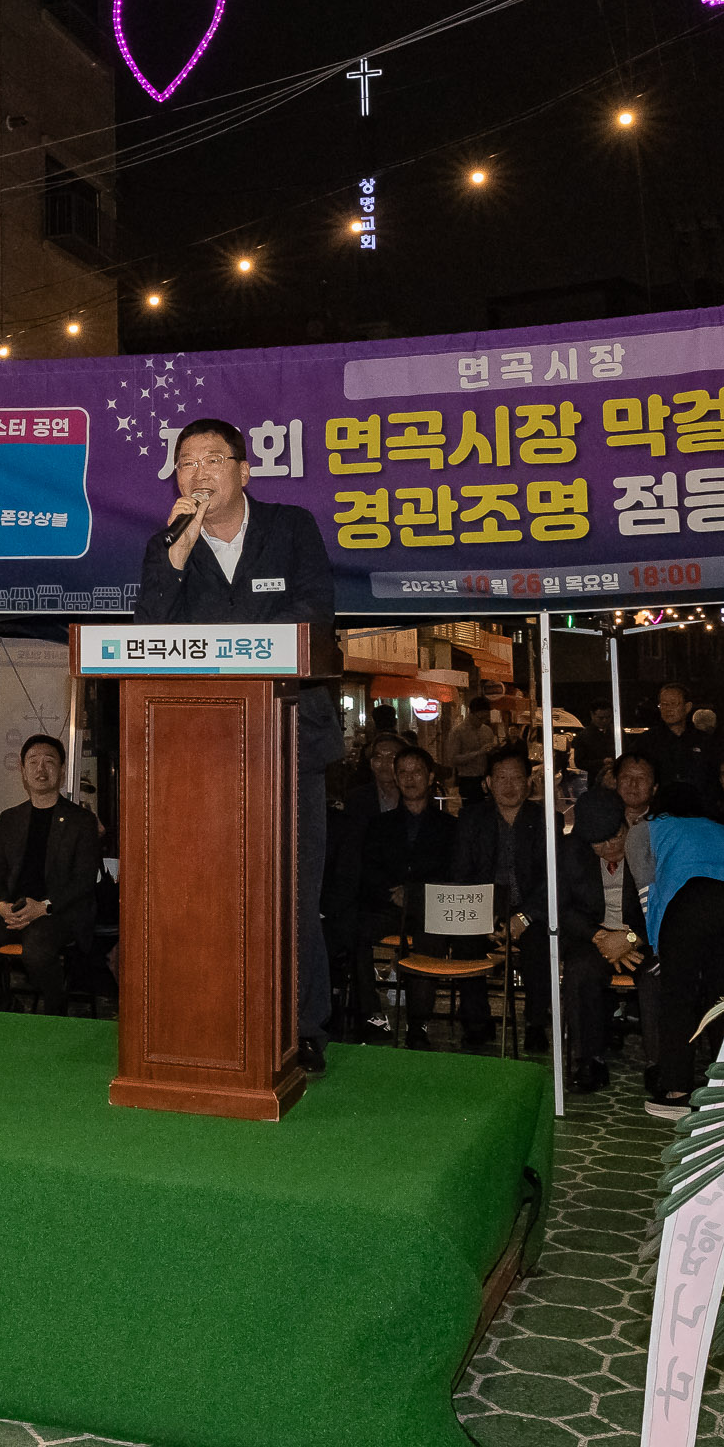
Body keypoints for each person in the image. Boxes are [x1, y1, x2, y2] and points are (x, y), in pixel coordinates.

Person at [136, 415, 344, 1073]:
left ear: (244, 470)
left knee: (292, 893)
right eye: (187, 461)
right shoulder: (169, 544)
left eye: (212, 458)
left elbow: (315, 610)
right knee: (212, 893)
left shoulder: (290, 528)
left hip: (290, 746)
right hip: (206, 755)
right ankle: (215, 1014)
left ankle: (305, 1025)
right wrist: (175, 555)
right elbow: (149, 633)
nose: (198, 471)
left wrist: (229, 645)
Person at [452, 749, 601, 1068]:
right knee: (465, 941)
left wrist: (524, 916)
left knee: (538, 942)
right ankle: (477, 1021)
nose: (509, 785)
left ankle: (535, 1022)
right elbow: (462, 872)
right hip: (483, 906)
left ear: (529, 782)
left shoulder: (548, 820)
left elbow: (554, 879)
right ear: (488, 782)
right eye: (501, 778)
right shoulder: (471, 818)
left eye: (516, 778)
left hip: (532, 908)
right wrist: (483, 913)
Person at [637, 783, 724, 1119]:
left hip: (691, 898)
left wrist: (657, 950)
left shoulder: (645, 829)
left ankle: (677, 1092)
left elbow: (645, 896)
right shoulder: (721, 829)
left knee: (678, 997)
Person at [0, 735, 102, 1016]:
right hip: (12, 910)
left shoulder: (82, 821)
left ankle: (56, 1014)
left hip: (57, 911)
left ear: (63, 769)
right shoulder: (10, 819)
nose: (41, 769)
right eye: (33, 762)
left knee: (38, 952)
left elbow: (83, 880)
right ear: (22, 770)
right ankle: (5, 1010)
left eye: (49, 762)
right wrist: (2, 906)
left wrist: (43, 907)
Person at [353, 747, 458, 1044]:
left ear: (430, 777)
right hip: (389, 905)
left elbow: (453, 872)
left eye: (417, 772)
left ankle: (418, 1024)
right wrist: (395, 894)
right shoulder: (380, 825)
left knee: (430, 936)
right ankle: (373, 1015)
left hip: (429, 907)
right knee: (355, 930)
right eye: (403, 773)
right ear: (396, 779)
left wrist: (416, 893)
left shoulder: (450, 827)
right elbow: (370, 869)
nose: (410, 779)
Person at [321, 733, 407, 1034]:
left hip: (409, 896)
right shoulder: (358, 799)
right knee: (349, 927)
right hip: (368, 893)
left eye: (392, 756)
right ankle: (369, 1012)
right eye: (377, 757)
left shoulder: (415, 795)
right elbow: (353, 854)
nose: (385, 763)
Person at [571, 786, 645, 1095]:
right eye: (597, 843)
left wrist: (630, 938)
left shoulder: (647, 849)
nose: (608, 847)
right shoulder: (571, 852)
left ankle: (662, 1064)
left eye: (615, 837)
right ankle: (590, 1060)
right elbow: (562, 907)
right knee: (580, 970)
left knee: (658, 975)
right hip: (596, 937)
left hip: (641, 937)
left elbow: (662, 907)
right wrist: (601, 938)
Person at [631, 682, 715, 794]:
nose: (668, 709)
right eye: (664, 705)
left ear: (687, 707)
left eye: (673, 704)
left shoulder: (705, 741)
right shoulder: (647, 741)